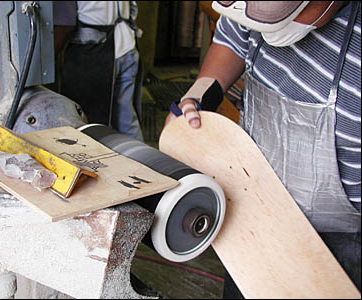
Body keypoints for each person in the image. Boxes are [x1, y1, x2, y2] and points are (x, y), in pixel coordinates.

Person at [165, 1, 361, 298]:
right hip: (250, 226)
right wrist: (196, 97)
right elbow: (232, 41)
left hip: (340, 257)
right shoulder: (251, 8)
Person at [60, 1, 143, 141]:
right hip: (127, 44)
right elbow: (133, 8)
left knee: (91, 124)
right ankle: (140, 159)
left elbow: (65, 24)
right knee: (127, 119)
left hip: (94, 51)